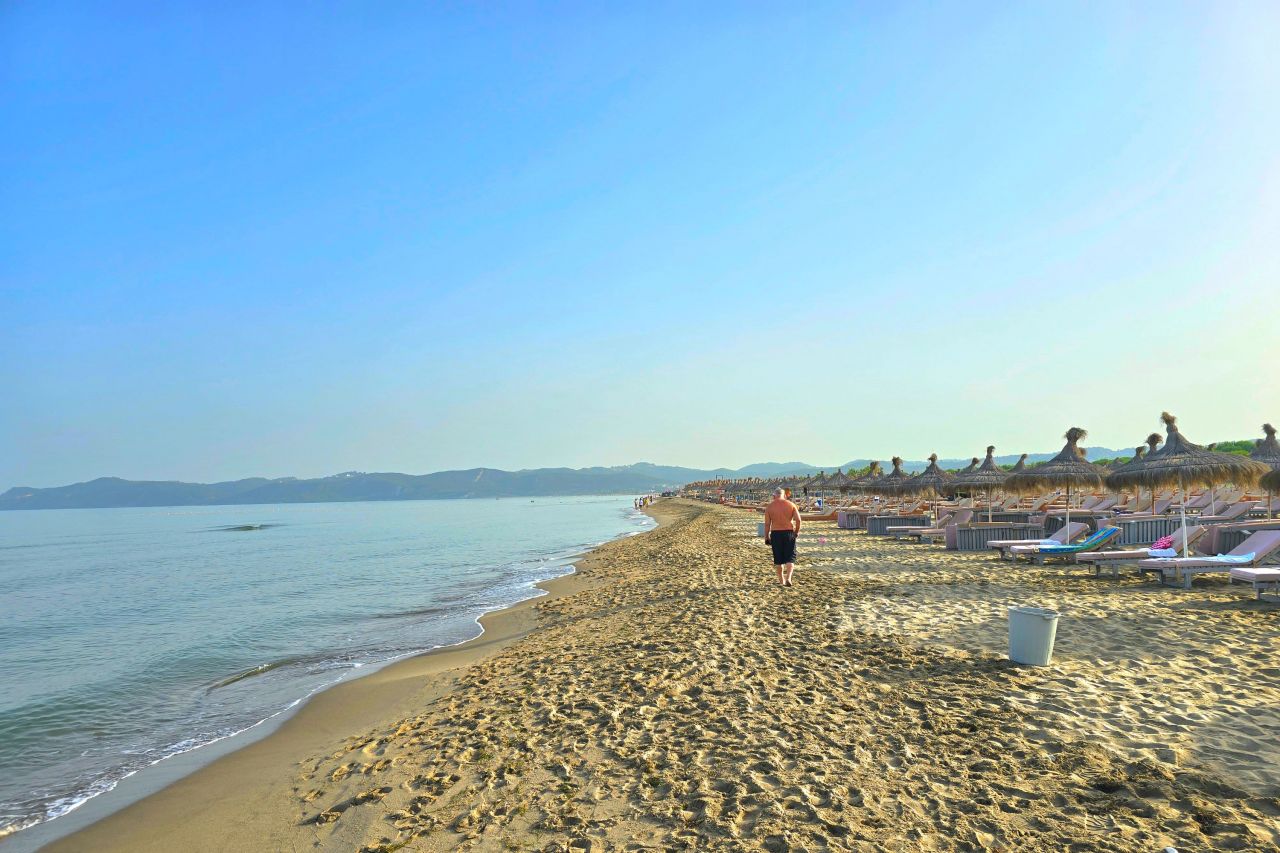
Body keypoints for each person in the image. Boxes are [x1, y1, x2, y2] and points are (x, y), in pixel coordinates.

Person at [763, 488, 801, 587]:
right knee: (790, 558)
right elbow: (798, 520)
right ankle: (788, 578)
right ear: (784, 495)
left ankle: (781, 580)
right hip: (789, 533)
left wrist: (766, 537)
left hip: (776, 534)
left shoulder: (769, 507)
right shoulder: (791, 505)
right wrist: (796, 532)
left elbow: (767, 524)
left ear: (774, 496)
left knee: (778, 559)